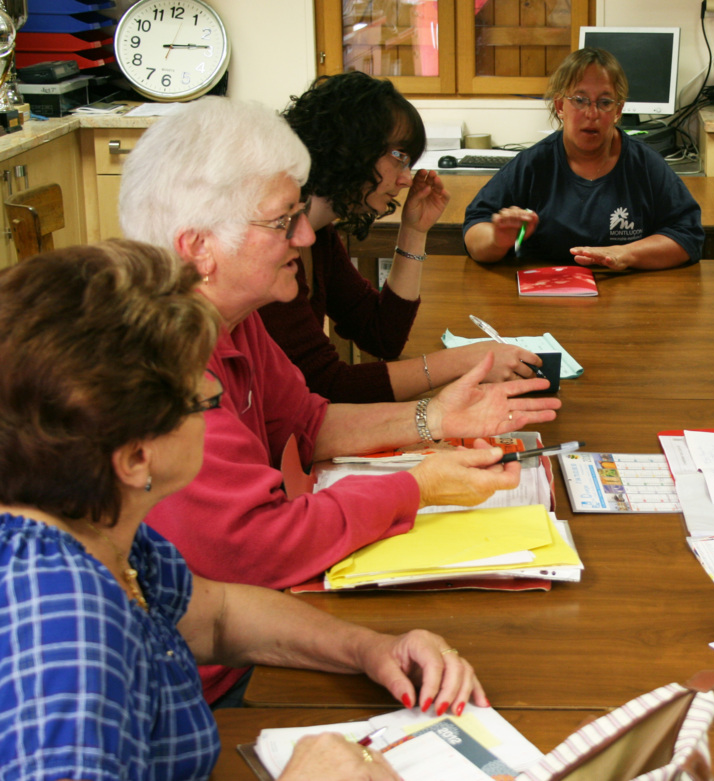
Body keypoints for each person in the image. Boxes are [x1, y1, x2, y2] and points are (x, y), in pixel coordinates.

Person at [117, 96, 560, 704]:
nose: (303, 236)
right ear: (198, 247)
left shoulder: (233, 319)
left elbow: (309, 421)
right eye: (283, 222)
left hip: (250, 636)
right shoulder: (168, 374)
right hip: (206, 689)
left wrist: (432, 417)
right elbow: (262, 547)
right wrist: (417, 487)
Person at [0, 242, 486, 780]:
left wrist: (371, 649)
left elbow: (218, 616)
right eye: (203, 402)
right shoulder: (65, 632)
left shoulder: (97, 528)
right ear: (136, 458)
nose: (217, 391)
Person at [260, 72, 541, 403]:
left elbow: (382, 335)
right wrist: (463, 361)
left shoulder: (319, 235)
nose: (407, 178)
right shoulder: (270, 244)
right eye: (399, 157)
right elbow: (326, 385)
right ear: (350, 145)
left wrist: (414, 231)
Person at [463, 47, 704, 270]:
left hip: (625, 294)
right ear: (560, 106)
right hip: (546, 293)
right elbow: (474, 229)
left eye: (605, 102)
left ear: (618, 110)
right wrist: (497, 239)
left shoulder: (644, 165)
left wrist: (623, 254)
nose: (592, 113)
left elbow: (688, 236)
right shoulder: (534, 164)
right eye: (579, 100)